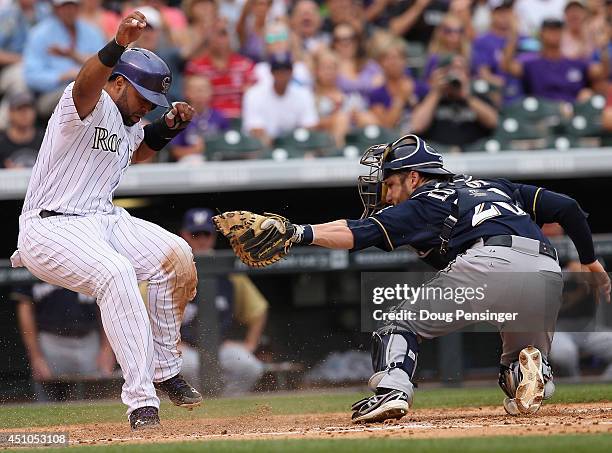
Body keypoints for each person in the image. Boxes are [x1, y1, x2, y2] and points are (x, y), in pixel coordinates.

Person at [217, 133, 611, 422]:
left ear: (414, 177)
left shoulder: (424, 201)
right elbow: (568, 207)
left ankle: (391, 390)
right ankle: (532, 367)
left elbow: (358, 232)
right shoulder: (495, 185)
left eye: (390, 182)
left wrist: (299, 232)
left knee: (397, 324)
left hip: (490, 262)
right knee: (515, 378)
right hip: (546, 271)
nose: (387, 194)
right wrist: (591, 261)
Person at [10, 11, 202, 431]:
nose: (148, 108)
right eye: (144, 99)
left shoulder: (130, 119)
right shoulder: (85, 103)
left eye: (155, 104)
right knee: (116, 274)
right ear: (118, 82)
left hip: (102, 219)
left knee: (177, 255)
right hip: (51, 225)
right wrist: (116, 44)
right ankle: (141, 403)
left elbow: (138, 149)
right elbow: (85, 82)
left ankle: (165, 368)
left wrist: (168, 128)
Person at [178, 208, 269, 395]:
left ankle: (224, 408)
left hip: (219, 346)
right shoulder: (170, 269)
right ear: (184, 235)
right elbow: (139, 310)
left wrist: (250, 344)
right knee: (189, 366)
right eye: (195, 234)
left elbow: (259, 309)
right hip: (182, 348)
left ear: (213, 236)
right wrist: (165, 344)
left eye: (206, 234)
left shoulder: (229, 275)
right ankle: (194, 409)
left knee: (249, 367)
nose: (201, 240)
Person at [13, 283, 116, 401]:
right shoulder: (33, 265)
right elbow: (25, 306)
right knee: (47, 404)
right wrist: (36, 357)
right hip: (50, 342)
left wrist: (107, 347)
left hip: (89, 341)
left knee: (95, 402)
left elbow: (106, 303)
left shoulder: (95, 265)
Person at [22, 0, 106, 119]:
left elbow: (104, 65)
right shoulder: (39, 33)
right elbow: (31, 76)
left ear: (79, 8)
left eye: (73, 6)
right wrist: (62, 76)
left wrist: (74, 56)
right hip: (52, 94)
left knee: (102, 94)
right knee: (76, 95)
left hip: (90, 89)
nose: (70, 11)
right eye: (65, 6)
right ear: (55, 8)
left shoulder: (92, 32)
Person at [501, 18, 603, 103]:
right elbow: (506, 66)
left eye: (557, 30)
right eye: (550, 30)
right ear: (541, 34)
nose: (554, 34)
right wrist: (513, 37)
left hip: (572, 112)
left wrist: (603, 46)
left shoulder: (574, 63)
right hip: (541, 112)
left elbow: (602, 71)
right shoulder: (532, 64)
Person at [411, 55, 498, 147]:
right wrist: (436, 92)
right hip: (439, 154)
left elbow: (493, 122)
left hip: (472, 153)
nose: (455, 74)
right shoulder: (430, 97)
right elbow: (417, 126)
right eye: (450, 70)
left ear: (468, 75)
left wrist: (466, 96)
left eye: (460, 69)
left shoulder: (478, 95)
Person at [185, 17, 256, 119]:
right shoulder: (195, 67)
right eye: (215, 33)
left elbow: (255, 95)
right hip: (209, 121)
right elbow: (189, 97)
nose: (219, 39)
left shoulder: (245, 65)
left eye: (223, 33)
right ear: (208, 37)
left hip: (240, 119)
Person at [242, 52, 319, 146]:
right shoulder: (254, 94)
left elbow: (310, 126)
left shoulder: (303, 94)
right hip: (264, 147)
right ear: (271, 72)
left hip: (295, 145)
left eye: (286, 70)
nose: (282, 74)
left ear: (291, 72)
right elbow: (255, 129)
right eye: (277, 70)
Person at [313, 49, 376, 147]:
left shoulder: (348, 94)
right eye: (325, 68)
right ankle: (339, 153)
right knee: (341, 119)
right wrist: (333, 118)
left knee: (366, 117)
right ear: (316, 71)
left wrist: (355, 115)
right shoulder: (311, 95)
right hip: (322, 138)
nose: (329, 72)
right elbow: (309, 124)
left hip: (351, 132)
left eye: (332, 68)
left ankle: (377, 154)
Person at [170, 75, 230, 163]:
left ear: (211, 91)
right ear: (186, 92)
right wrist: (196, 150)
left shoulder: (220, 116)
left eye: (204, 89)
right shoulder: (179, 117)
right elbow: (174, 151)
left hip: (216, 158)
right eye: (195, 90)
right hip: (190, 161)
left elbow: (228, 144)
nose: (200, 93)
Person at [367, 32, 416, 130]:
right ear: (381, 63)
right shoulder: (377, 93)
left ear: (405, 60)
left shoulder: (420, 88)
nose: (393, 62)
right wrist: (400, 99)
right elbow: (386, 127)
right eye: (388, 58)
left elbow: (422, 123)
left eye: (398, 57)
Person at [331, 22, 383, 99]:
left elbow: (382, 82)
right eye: (339, 39)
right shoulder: (330, 66)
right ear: (334, 43)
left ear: (356, 41)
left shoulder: (369, 64)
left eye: (350, 38)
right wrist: (369, 84)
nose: (346, 43)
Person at [0, 91, 44, 168]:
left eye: (29, 108)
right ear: (10, 113)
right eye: (19, 109)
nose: (25, 113)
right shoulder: (2, 143)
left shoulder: (44, 139)